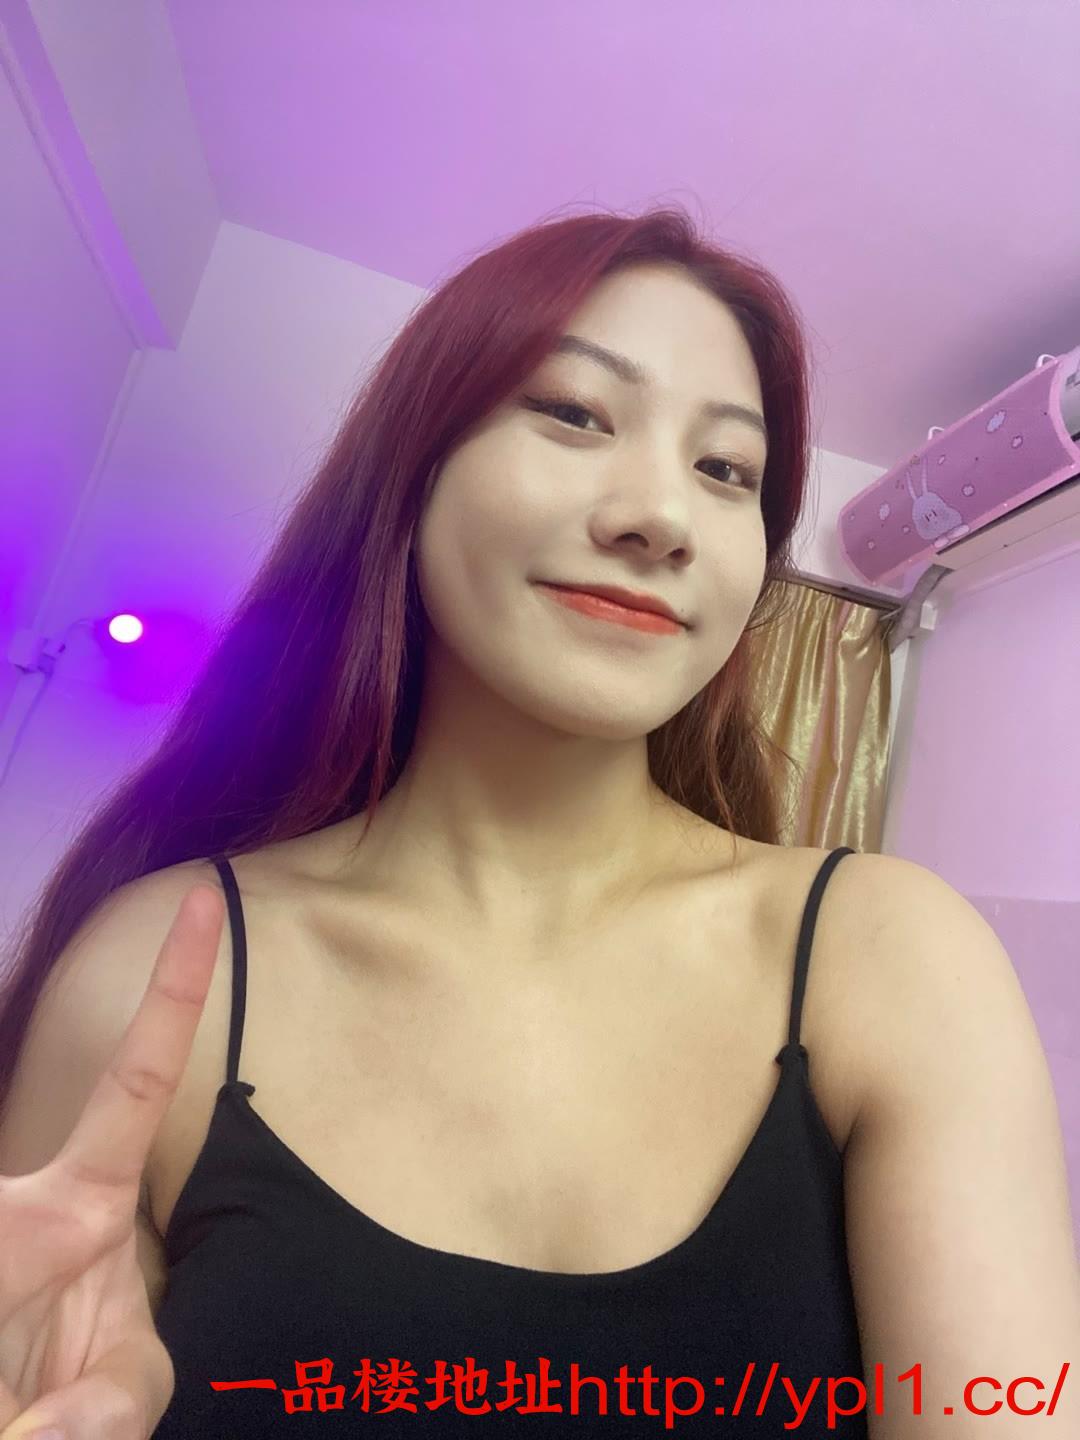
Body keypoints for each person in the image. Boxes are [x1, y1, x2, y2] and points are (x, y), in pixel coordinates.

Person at [0, 208, 1076, 1439]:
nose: (662, 515)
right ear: (414, 466)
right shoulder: (163, 973)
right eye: (574, 412)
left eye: (726, 470)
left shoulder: (888, 957)